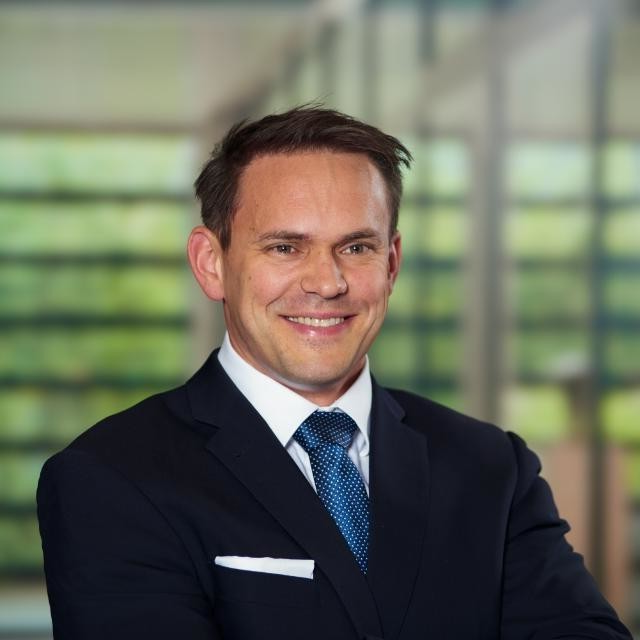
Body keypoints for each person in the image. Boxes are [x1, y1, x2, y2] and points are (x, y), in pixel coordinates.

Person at [37, 106, 631, 640]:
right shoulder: (111, 478)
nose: (326, 283)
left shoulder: (492, 469)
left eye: (356, 247)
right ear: (211, 263)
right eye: (285, 248)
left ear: (391, 264)